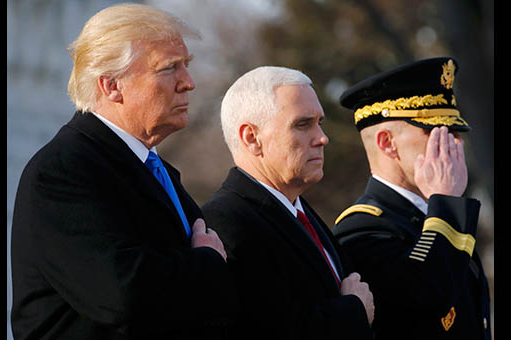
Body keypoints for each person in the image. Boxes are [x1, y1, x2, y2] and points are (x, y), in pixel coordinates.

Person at [10, 4, 238, 339]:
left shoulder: (156, 172)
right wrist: (206, 261)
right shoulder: (63, 172)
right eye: (168, 69)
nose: (188, 83)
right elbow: (123, 295)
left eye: (186, 66)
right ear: (111, 86)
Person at [201, 66, 374, 340]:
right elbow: (270, 329)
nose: (322, 138)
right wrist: (353, 311)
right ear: (252, 138)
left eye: (320, 123)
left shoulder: (299, 211)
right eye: (302, 125)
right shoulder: (227, 222)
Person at [332, 57, 491, 339]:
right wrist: (445, 202)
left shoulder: (434, 214)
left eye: (455, 132)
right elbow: (427, 300)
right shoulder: (361, 229)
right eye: (435, 133)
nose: (455, 144)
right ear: (387, 143)